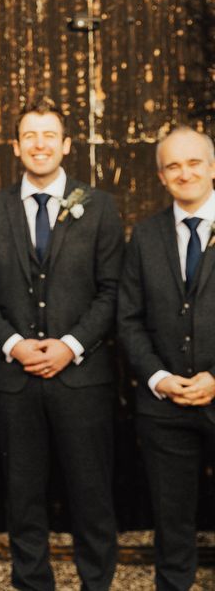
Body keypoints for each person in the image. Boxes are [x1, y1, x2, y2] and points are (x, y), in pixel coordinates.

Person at [0, 96, 123, 590]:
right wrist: (13, 344)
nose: (40, 144)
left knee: (92, 493)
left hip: (82, 376)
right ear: (16, 146)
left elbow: (113, 289)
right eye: (30, 136)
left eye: (49, 135)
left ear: (66, 144)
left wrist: (70, 344)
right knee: (23, 492)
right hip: (13, 379)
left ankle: (97, 581)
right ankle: (32, 582)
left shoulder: (99, 206)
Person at [118, 126, 215, 590]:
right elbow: (129, 319)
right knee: (172, 525)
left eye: (194, 162)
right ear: (161, 176)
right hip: (165, 406)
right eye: (173, 165)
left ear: (212, 168)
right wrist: (158, 377)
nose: (185, 173)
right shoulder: (146, 235)